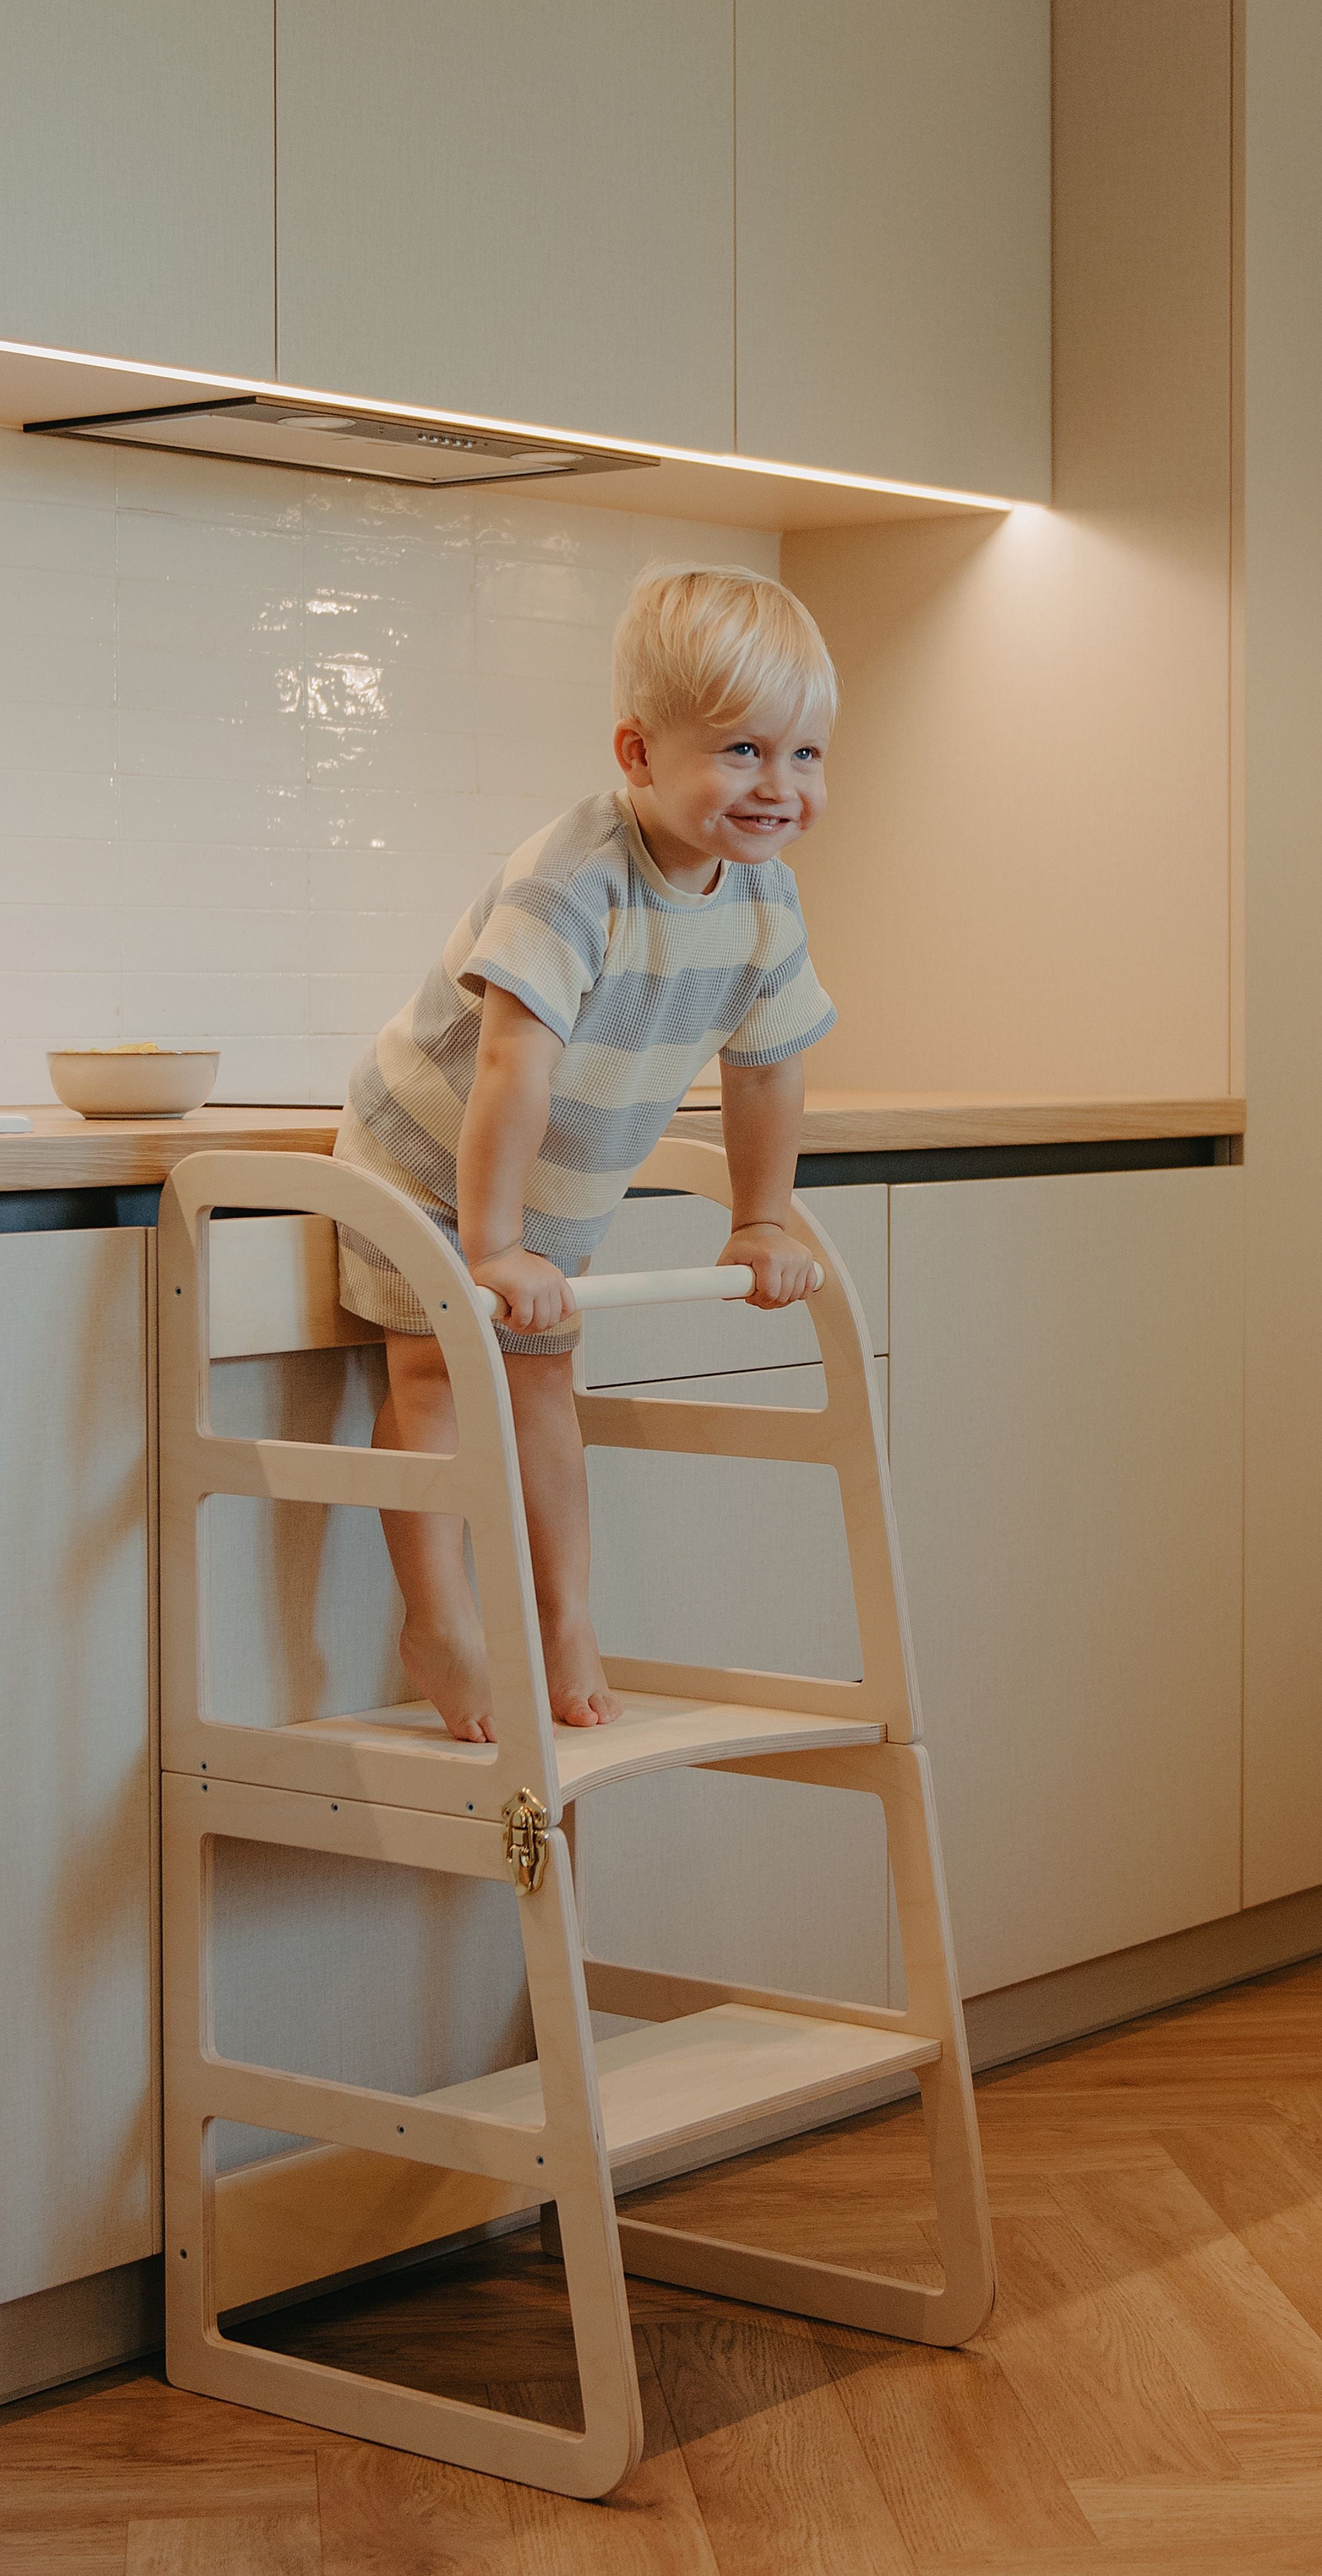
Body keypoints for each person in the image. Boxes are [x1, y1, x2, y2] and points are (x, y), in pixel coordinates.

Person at [330, 561, 838, 1742]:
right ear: (638, 753)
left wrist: (761, 1217)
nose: (780, 786)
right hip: (425, 1158)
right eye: (743, 751)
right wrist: (492, 1245)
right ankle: (442, 1624)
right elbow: (512, 1065)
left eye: (805, 754)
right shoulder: (578, 878)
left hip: (549, 1188)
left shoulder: (765, 900)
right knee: (434, 1376)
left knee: (547, 1380)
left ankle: (564, 1622)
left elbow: (768, 1066)